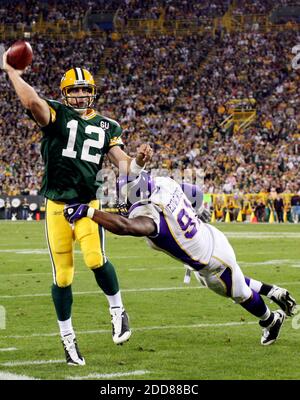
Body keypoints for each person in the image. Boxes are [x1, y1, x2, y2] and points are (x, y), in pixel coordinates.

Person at [2, 52, 153, 365]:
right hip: (57, 206)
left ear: (93, 91)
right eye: (74, 90)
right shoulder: (57, 115)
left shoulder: (107, 125)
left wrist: (138, 161)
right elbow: (33, 104)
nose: (81, 94)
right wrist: (12, 72)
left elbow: (124, 166)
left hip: (86, 204)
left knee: (96, 259)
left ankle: (118, 311)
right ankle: (68, 341)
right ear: (64, 94)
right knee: (63, 278)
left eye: (85, 89)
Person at [64, 172, 296, 346]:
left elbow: (126, 226)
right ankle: (273, 290)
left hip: (209, 261)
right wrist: (195, 213)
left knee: (238, 293)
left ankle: (271, 320)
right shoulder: (165, 183)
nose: (124, 201)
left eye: (127, 195)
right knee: (230, 276)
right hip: (211, 237)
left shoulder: (151, 221)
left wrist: (89, 212)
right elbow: (195, 192)